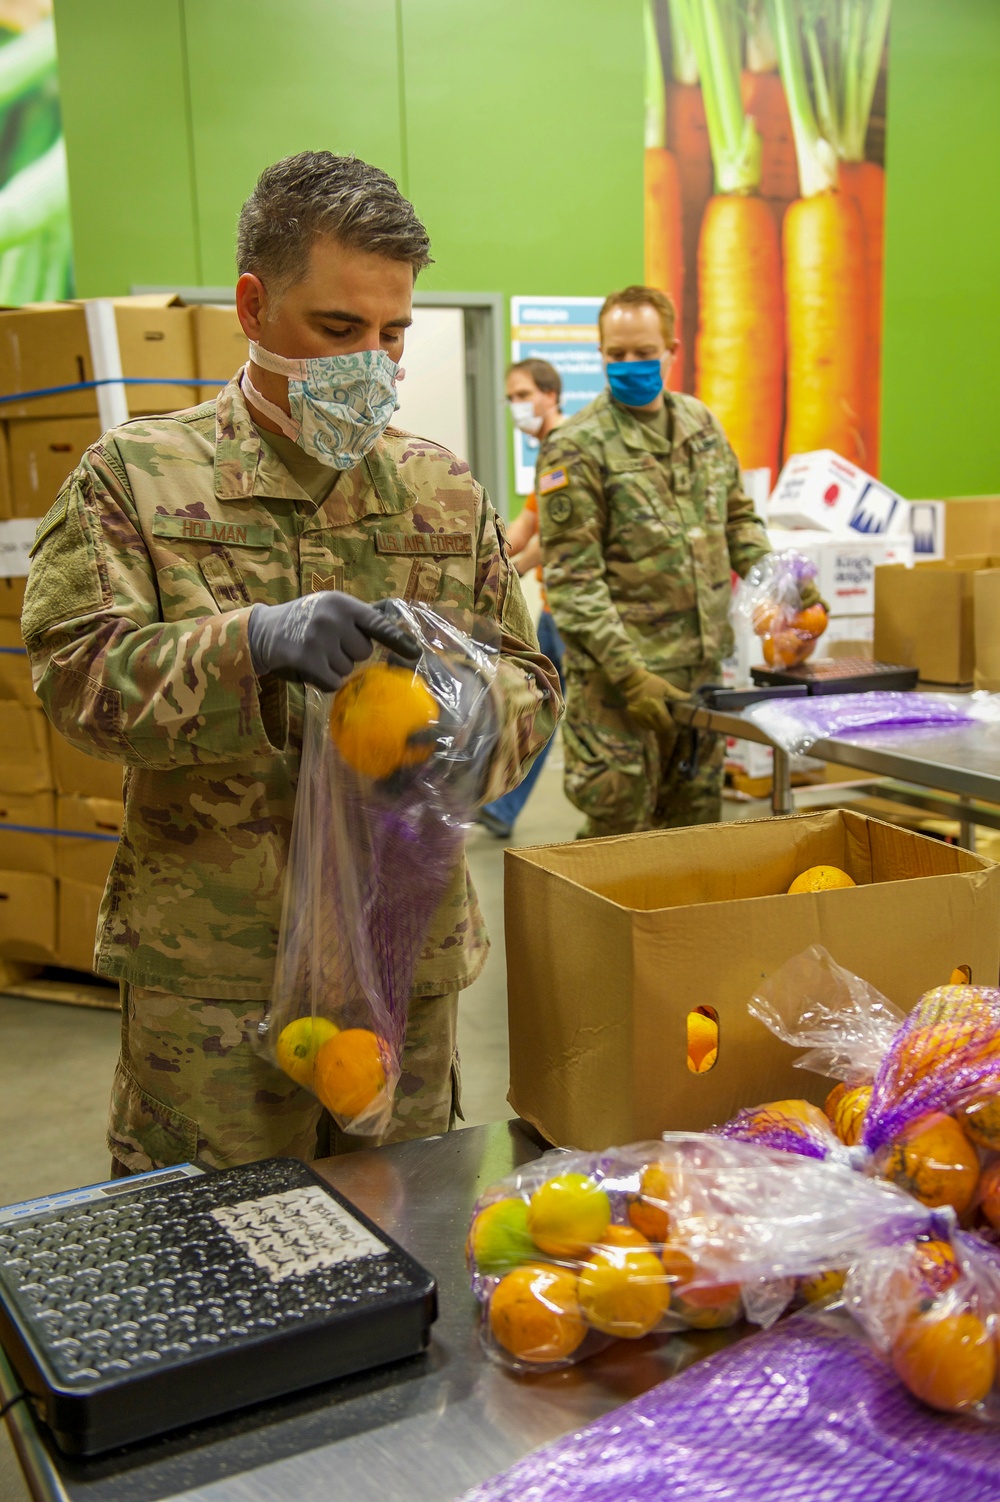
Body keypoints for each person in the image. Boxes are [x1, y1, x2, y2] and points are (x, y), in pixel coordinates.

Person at [22, 151, 561, 1174]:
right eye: (338, 328)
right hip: (216, 978)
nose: (373, 359)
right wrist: (252, 643)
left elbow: (531, 681)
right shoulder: (137, 480)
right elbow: (75, 683)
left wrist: (465, 721)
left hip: (403, 963)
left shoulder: (440, 492)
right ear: (254, 305)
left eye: (393, 333)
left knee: (403, 1246)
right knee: (209, 1264)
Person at [536, 284, 818, 838]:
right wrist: (631, 676)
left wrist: (783, 583)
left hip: (701, 678)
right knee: (618, 841)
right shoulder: (577, 446)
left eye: (643, 352)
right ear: (601, 354)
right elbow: (574, 581)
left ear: (672, 349)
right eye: (616, 354)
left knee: (694, 837)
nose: (630, 365)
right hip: (621, 691)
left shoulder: (701, 426)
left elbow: (738, 522)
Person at [478, 358, 566, 838]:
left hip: (577, 614)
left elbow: (559, 534)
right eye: (510, 398)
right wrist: (486, 558)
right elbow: (529, 524)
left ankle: (501, 807)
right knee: (537, 705)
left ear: (550, 394)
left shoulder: (568, 448)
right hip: (556, 610)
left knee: (547, 706)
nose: (517, 406)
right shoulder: (548, 454)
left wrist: (505, 576)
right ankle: (500, 806)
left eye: (524, 395)